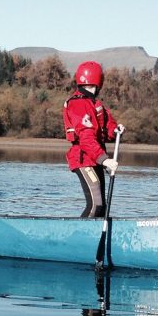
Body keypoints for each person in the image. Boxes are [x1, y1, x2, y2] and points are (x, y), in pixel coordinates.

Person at [62, 61, 124, 217]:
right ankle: (80, 237)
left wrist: (115, 130)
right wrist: (105, 160)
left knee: (102, 208)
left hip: (94, 159)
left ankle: (98, 236)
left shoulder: (95, 104)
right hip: (83, 159)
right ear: (98, 82)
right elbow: (86, 138)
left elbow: (108, 125)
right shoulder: (78, 104)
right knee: (96, 205)